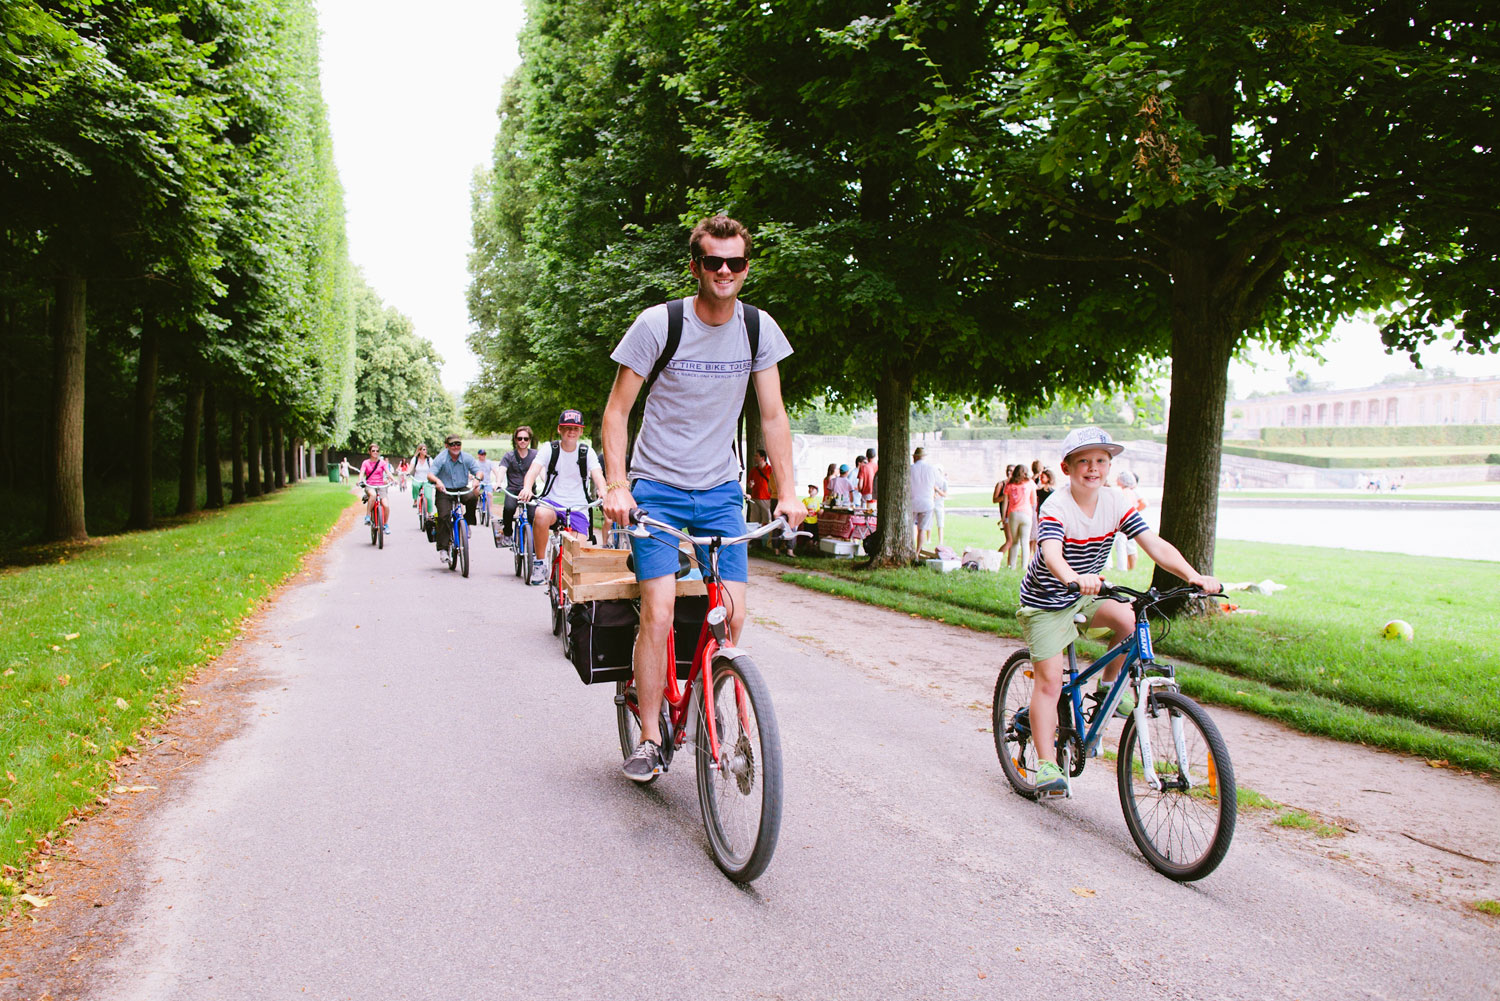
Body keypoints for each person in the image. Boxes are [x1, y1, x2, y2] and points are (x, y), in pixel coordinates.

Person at [602, 213, 801, 782]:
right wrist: (617, 484)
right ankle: (647, 736)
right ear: (695, 266)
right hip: (657, 490)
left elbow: (773, 415)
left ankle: (716, 692)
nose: (724, 271)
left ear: (746, 268)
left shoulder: (759, 330)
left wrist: (787, 491)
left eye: (735, 262)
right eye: (712, 261)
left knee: (734, 614)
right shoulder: (658, 324)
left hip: (719, 491)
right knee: (660, 610)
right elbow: (617, 413)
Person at [1018, 427, 1219, 795]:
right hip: (1048, 600)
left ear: (1109, 467)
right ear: (1067, 467)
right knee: (1049, 683)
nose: (1093, 468)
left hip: (1088, 591)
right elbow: (1051, 554)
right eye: (1084, 461)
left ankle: (1108, 686)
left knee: (1129, 620)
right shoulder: (1056, 506)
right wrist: (1072, 577)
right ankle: (1047, 766)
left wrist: (1193, 576)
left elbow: (1152, 543)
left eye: (1100, 461)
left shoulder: (1115, 502)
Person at [519, 409, 608, 584]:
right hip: (553, 502)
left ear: (581, 431)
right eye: (567, 427)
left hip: (579, 507)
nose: (571, 431)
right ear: (560, 429)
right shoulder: (549, 449)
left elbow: (598, 475)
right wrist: (527, 488)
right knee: (540, 514)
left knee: (576, 557)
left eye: (575, 428)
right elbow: (532, 471)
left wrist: (603, 491)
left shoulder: (586, 452)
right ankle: (540, 562)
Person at [426, 434, 482, 561]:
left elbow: (478, 471)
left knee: (472, 497)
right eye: (452, 444)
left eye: (458, 444)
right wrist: (438, 481)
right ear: (447, 446)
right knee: (443, 515)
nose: (455, 447)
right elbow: (430, 474)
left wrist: (477, 479)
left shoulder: (466, 457)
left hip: (461, 488)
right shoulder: (441, 458)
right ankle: (443, 549)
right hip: (444, 489)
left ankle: (467, 523)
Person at [498, 425, 537, 546]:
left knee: (534, 516)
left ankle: (534, 547)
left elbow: (541, 471)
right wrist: (498, 483)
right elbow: (502, 469)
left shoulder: (535, 455)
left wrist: (548, 483)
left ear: (530, 440)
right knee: (509, 508)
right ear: (515, 439)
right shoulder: (509, 456)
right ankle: (508, 533)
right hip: (513, 490)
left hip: (530, 491)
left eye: (526, 438)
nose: (523, 441)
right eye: (520, 438)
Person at [909, 447, 943, 554]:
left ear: (916, 457)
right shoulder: (932, 469)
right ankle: (917, 552)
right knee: (922, 529)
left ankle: (910, 550)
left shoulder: (910, 468)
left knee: (910, 528)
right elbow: (940, 484)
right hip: (927, 503)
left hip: (912, 502)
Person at [1001, 465, 1036, 569]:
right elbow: (1033, 501)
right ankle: (1024, 567)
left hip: (1013, 514)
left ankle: (1012, 565)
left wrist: (1003, 517)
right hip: (1026, 514)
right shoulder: (1030, 483)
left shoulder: (1009, 484)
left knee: (1014, 541)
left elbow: (1005, 503)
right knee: (1025, 542)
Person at [1111, 470, 1146, 571]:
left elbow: (1143, 503)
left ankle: (1123, 567)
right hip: (1128, 520)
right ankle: (1128, 567)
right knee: (1129, 545)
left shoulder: (1125, 492)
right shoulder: (1131, 492)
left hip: (1123, 521)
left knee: (1121, 544)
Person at [358, 445, 393, 534]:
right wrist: (359, 480)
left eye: (377, 451)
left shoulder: (382, 463)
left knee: (386, 505)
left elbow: (388, 472)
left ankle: (385, 524)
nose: (375, 452)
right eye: (373, 451)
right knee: (373, 495)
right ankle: (368, 516)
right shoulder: (365, 462)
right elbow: (362, 473)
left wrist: (393, 479)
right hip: (369, 485)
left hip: (381, 486)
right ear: (369, 452)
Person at [1030, 467, 1055, 561]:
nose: (1041, 479)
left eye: (1043, 477)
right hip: (1040, 515)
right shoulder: (1042, 491)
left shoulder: (1046, 492)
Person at [747, 448, 775, 526]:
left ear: (762, 458)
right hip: (755, 498)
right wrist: (750, 485)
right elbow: (749, 485)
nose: (754, 458)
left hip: (766, 499)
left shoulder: (770, 470)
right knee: (754, 520)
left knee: (766, 519)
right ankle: (755, 537)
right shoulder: (753, 470)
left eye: (756, 456)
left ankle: (765, 537)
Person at [409, 443, 434, 512]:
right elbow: (411, 467)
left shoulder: (429, 459)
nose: (425, 451)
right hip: (417, 479)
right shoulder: (415, 459)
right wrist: (408, 472)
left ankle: (429, 514)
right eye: (423, 449)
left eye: (426, 449)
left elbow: (434, 468)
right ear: (419, 451)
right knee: (415, 485)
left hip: (427, 480)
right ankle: (415, 500)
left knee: (428, 497)